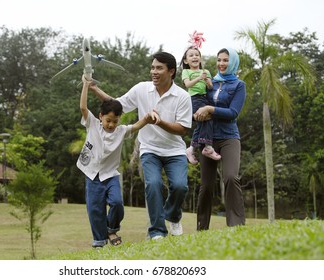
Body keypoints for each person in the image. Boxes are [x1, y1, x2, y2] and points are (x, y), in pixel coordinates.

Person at [89, 52, 192, 240]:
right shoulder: (142, 89)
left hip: (175, 151)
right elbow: (116, 105)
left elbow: (183, 129)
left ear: (171, 71)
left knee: (179, 186)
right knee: (153, 185)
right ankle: (157, 232)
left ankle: (173, 216)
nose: (154, 71)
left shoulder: (182, 96)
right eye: (152, 67)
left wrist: (159, 122)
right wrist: (95, 89)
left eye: (159, 68)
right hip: (149, 149)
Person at [77, 75, 160, 248]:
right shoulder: (92, 124)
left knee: (116, 202)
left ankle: (112, 228)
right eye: (108, 121)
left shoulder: (121, 131)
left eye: (115, 121)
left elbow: (136, 126)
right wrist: (86, 85)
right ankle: (99, 241)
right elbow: (83, 107)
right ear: (100, 116)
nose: (111, 124)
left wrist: (148, 117)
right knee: (95, 209)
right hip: (92, 175)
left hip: (110, 175)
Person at [194, 48, 246, 230]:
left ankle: (236, 225)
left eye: (225, 60)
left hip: (229, 137)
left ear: (232, 63)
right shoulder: (210, 83)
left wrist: (210, 109)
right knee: (206, 185)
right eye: (219, 60)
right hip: (207, 138)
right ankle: (202, 228)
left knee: (231, 177)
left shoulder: (239, 85)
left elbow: (233, 113)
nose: (221, 64)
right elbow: (197, 100)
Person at [180, 46, 221, 165]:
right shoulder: (186, 71)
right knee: (206, 120)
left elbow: (210, 87)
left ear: (200, 58)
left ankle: (192, 148)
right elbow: (187, 85)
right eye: (191, 55)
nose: (194, 57)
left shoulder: (206, 71)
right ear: (186, 61)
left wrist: (207, 80)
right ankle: (207, 146)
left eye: (197, 55)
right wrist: (199, 78)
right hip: (194, 99)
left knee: (202, 123)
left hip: (204, 99)